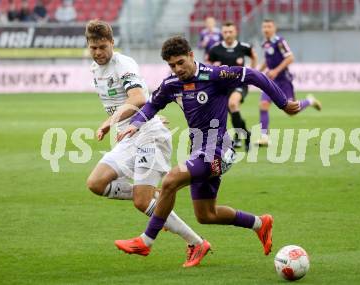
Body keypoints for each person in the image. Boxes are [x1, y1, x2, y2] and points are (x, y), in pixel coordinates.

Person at [115, 36, 302, 267]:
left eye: (181, 62)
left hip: (220, 150)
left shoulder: (216, 76)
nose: (177, 69)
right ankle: (260, 224)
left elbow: (254, 75)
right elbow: (153, 104)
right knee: (206, 215)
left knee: (171, 180)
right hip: (199, 150)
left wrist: (283, 103)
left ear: (192, 55)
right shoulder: (172, 84)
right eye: (172, 65)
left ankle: (146, 241)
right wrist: (135, 124)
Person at [84, 20, 209, 267]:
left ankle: (196, 242)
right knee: (96, 183)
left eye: (102, 47)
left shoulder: (124, 64)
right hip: (128, 136)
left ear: (111, 43)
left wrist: (113, 120)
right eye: (93, 47)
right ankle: (157, 197)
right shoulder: (94, 69)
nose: (98, 52)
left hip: (148, 134)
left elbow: (138, 97)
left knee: (142, 202)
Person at [256, 19, 321, 146]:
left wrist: (276, 70)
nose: (266, 29)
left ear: (274, 28)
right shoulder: (265, 43)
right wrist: (257, 72)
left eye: (269, 26)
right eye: (264, 27)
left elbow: (290, 57)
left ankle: (310, 101)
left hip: (283, 81)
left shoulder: (280, 41)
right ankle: (264, 137)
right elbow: (267, 59)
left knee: (292, 110)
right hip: (271, 81)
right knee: (263, 105)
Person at [208, 21, 257, 151]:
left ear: (235, 32)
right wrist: (213, 68)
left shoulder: (243, 47)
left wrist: (251, 71)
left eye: (230, 32)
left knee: (233, 104)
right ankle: (244, 135)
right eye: (225, 32)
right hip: (222, 86)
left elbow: (254, 56)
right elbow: (207, 64)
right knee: (231, 112)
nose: (228, 34)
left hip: (239, 83)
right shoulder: (215, 49)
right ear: (222, 33)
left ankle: (240, 136)